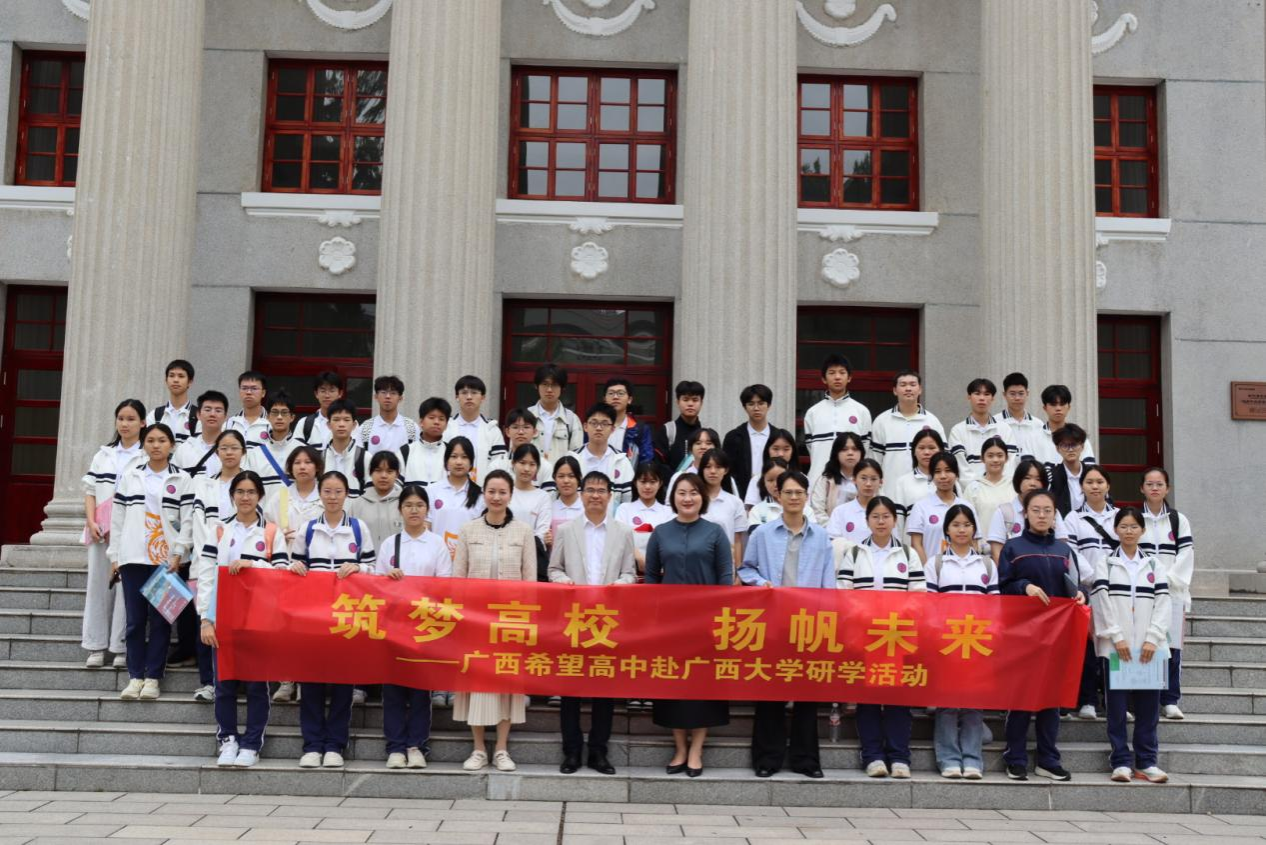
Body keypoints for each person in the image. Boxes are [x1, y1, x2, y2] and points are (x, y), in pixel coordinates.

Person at [739, 469, 834, 779]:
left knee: (807, 695)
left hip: (808, 624)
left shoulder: (821, 537)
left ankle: (806, 760)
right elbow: (746, 569)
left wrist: (826, 619)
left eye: (799, 493)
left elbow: (828, 584)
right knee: (771, 692)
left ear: (806, 497)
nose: (794, 498)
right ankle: (767, 758)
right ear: (777, 495)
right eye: (788, 492)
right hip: (772, 623)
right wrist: (761, 583)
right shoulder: (763, 534)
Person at [548, 471, 637, 775]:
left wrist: (619, 585)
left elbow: (630, 573)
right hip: (573, 618)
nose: (595, 495)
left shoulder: (623, 532)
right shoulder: (566, 530)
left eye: (601, 490)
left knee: (604, 687)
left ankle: (599, 751)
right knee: (570, 687)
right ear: (582, 494)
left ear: (611, 496)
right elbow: (554, 569)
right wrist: (565, 582)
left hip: (607, 620)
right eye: (590, 490)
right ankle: (572, 751)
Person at [196, 470, 286, 768]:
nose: (245, 497)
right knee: (224, 684)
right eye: (240, 492)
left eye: (251, 492)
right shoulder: (220, 530)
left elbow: (283, 574)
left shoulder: (271, 532)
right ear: (232, 495)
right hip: (224, 618)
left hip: (259, 620)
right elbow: (206, 575)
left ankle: (252, 743)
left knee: (257, 685)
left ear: (260, 496)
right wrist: (206, 619)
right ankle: (228, 739)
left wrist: (254, 564)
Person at [645, 473, 732, 777]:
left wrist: (719, 616)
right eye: (681, 493)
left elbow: (725, 576)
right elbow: (652, 576)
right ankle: (680, 747)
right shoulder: (661, 533)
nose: (687, 498)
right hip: (670, 625)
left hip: (705, 624)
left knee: (701, 688)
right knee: (673, 686)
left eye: (693, 493)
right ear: (673, 497)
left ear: (702, 497)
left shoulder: (715, 532)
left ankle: (697, 749)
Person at [288, 470, 376, 768]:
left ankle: (335, 744)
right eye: (327, 491)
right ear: (320, 494)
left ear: (347, 494)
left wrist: (359, 569)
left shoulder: (358, 528)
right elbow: (294, 564)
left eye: (338, 491)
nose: (333, 497)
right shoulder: (309, 528)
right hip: (313, 618)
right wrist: (295, 567)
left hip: (347, 617)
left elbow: (373, 568)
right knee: (311, 682)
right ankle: (312, 745)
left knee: (342, 683)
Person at [998, 489, 1087, 782]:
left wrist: (1080, 596)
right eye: (1035, 510)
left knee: (1051, 699)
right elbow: (1003, 586)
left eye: (1047, 510)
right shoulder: (1013, 547)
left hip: (1057, 637)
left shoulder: (1064, 550)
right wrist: (1024, 586)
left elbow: (1076, 585)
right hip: (1022, 636)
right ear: (1025, 513)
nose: (1041, 515)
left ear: (1054, 515)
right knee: (1022, 698)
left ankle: (1048, 759)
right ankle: (1015, 758)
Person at [452, 470, 536, 773]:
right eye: (491, 491)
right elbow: (457, 579)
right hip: (475, 621)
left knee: (506, 683)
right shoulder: (468, 530)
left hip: (511, 620)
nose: (496, 497)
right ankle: (478, 748)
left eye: (502, 492)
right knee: (476, 683)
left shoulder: (523, 531)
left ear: (510, 495)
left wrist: (526, 621)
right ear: (483, 494)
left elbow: (530, 580)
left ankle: (501, 748)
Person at [834, 496, 923, 778]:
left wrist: (896, 618)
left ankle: (899, 757)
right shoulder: (855, 553)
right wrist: (866, 617)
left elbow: (918, 595)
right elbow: (844, 592)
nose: (881, 521)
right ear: (867, 520)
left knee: (898, 698)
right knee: (868, 698)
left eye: (886, 516)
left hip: (898, 637)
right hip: (865, 636)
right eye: (875, 516)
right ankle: (872, 756)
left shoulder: (908, 554)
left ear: (895, 520)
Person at [107, 422, 192, 702]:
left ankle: (153, 677)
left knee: (161, 621)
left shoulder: (182, 479)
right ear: (144, 444)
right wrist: (115, 556)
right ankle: (135, 677)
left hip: (165, 561)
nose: (156, 445)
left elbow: (188, 521)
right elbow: (117, 520)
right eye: (151, 440)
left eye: (162, 440)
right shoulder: (131, 476)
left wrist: (178, 553)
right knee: (134, 621)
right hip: (133, 558)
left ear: (172, 445)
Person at [1091, 507, 1172, 784]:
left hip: (1150, 649)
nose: (1129, 531)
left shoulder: (1154, 565)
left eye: (1134, 526)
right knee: (1116, 708)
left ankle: (1147, 761)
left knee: (1149, 709)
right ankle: (1121, 762)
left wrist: (1153, 637)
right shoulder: (1106, 563)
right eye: (1123, 526)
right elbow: (1101, 601)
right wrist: (1116, 636)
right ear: (1116, 530)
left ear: (1142, 530)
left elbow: (1163, 603)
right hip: (1118, 648)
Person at [375, 484, 450, 769]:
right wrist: (389, 579)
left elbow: (445, 584)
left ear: (427, 509)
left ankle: (417, 745)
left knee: (420, 689)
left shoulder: (437, 543)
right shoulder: (390, 544)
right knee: (393, 688)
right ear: (400, 510)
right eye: (408, 505)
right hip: (395, 625)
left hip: (425, 625)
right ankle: (395, 746)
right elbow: (377, 586)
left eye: (419, 505)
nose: (414, 510)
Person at [926, 504, 996, 780]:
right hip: (947, 642)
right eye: (956, 525)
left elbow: (994, 605)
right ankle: (948, 759)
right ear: (947, 530)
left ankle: (972, 759)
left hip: (977, 641)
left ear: (974, 529)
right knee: (947, 703)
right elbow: (929, 604)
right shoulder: (936, 563)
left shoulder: (986, 564)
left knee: (973, 702)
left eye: (967, 525)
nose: (962, 530)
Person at [179, 430, 251, 700]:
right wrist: (188, 554)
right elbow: (194, 524)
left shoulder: (250, 484)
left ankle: (239, 679)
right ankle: (209, 682)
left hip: (240, 566)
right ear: (217, 452)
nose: (229, 453)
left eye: (234, 448)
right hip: (207, 563)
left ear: (243, 451)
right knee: (206, 620)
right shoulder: (204, 485)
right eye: (224, 448)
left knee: (239, 626)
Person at [81, 399, 146, 669]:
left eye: (131, 419)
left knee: (126, 588)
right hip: (101, 531)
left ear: (142, 423)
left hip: (132, 533)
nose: (125, 424)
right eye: (121, 418)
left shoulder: (147, 456)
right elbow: (90, 491)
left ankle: (121, 646)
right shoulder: (103, 455)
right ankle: (96, 646)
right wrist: (91, 521)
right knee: (98, 586)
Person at [261, 444, 325, 705]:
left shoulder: (325, 494)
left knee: (311, 630)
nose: (302, 467)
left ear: (317, 467)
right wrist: (278, 534)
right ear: (290, 468)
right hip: (285, 568)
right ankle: (286, 680)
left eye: (308, 462)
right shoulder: (280, 496)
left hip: (317, 571)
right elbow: (264, 529)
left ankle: (307, 682)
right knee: (285, 628)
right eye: (297, 462)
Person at [1138, 467, 1194, 721]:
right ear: (1142, 488)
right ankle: (1141, 697)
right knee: (1143, 643)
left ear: (1167, 488)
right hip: (1141, 592)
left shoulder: (1178, 520)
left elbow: (1186, 555)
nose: (1154, 488)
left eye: (1159, 484)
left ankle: (1170, 700)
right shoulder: (1134, 518)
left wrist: (1165, 580)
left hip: (1172, 592)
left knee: (1172, 647)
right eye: (1149, 484)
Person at [1067, 465, 1119, 720]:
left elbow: (1127, 549)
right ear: (1082, 487)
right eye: (1089, 482)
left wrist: (1112, 580)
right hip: (1087, 592)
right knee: (1087, 648)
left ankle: (1115, 701)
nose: (1095, 486)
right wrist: (1095, 579)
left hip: (1116, 592)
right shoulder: (1072, 519)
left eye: (1100, 482)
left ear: (1108, 486)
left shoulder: (1120, 516)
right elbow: (1072, 553)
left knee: (1114, 645)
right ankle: (1087, 700)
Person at [803, 354, 872, 486]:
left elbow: (865, 449)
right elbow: (811, 449)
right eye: (832, 373)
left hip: (852, 482)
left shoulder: (861, 411)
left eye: (842, 372)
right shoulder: (813, 413)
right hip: (818, 480)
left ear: (849, 377)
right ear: (824, 379)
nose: (837, 377)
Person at [870, 370, 944, 491]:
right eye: (903, 385)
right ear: (895, 390)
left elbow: (942, 459)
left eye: (912, 384)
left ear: (920, 389)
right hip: (889, 491)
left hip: (926, 492)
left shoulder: (932, 421)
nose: (908, 388)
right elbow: (874, 461)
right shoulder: (881, 421)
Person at [987, 458, 1071, 562]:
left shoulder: (1053, 512)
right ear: (1018, 481)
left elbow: (1062, 548)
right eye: (1027, 478)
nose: (1033, 483)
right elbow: (997, 552)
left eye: (1038, 479)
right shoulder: (1004, 512)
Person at [905, 452, 980, 563]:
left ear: (956, 474)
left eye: (948, 470)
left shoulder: (967, 507)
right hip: (932, 570)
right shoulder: (921, 507)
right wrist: (928, 570)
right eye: (937, 472)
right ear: (932, 475)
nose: (943, 476)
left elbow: (973, 543)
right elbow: (916, 544)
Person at [948, 378, 1017, 484]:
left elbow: (1009, 464)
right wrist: (979, 488)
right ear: (969, 397)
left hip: (1001, 489)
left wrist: (998, 486)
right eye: (977, 393)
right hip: (970, 491)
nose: (982, 398)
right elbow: (961, 468)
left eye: (987, 394)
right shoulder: (958, 431)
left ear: (993, 398)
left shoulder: (1005, 429)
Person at [428, 437, 484, 560]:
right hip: (437, 559)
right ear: (446, 461)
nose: (459, 462)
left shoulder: (481, 496)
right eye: (454, 456)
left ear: (471, 462)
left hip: (468, 560)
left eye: (464, 457)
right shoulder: (432, 491)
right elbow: (426, 528)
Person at [614, 462, 672, 576]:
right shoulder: (624, 509)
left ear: (660, 483)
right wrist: (638, 557)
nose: (647, 486)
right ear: (635, 482)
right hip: (629, 572)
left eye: (653, 482)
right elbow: (619, 538)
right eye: (643, 481)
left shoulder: (669, 512)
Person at [444, 375, 506, 483]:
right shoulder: (446, 427)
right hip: (449, 487)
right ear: (457, 397)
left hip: (482, 488)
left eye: (474, 392)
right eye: (464, 393)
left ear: (483, 397)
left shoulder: (492, 430)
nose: (469, 397)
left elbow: (499, 463)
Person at [571, 402, 634, 508]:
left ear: (612, 429)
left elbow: (628, 500)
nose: (599, 428)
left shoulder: (622, 461)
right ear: (585, 426)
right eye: (594, 423)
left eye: (604, 424)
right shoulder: (573, 459)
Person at [721, 384, 777, 496]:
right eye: (751, 404)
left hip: (773, 493)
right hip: (741, 494)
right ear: (744, 407)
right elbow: (726, 471)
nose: (756, 408)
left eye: (761, 403)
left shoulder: (778, 436)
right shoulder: (733, 437)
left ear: (769, 405)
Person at [697, 449, 747, 573]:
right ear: (702, 469)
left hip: (725, 566)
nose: (713, 471)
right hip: (697, 565)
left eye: (718, 467)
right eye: (708, 467)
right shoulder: (694, 500)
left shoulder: (735, 502)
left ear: (726, 470)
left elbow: (737, 540)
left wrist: (738, 571)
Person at [890, 429, 949, 528]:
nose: (926, 452)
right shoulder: (903, 482)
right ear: (914, 451)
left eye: (932, 448)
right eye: (921, 448)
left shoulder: (950, 481)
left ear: (941, 450)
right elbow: (898, 522)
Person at [347, 451, 403, 549]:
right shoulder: (357, 504)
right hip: (366, 558)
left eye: (389, 471)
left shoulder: (405, 503)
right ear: (370, 473)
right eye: (378, 470)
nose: (383, 476)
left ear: (397, 474)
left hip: (398, 559)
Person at [529, 364, 582, 464]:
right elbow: (516, 452)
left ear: (562, 388)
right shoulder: (527, 416)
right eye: (545, 384)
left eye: (554, 385)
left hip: (560, 473)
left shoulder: (571, 419)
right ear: (536, 386)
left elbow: (576, 457)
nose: (549, 390)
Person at [809, 432, 865, 526]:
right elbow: (817, 511)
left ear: (861, 453)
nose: (850, 453)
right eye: (844, 449)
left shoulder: (869, 479)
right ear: (836, 453)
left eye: (855, 449)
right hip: (830, 531)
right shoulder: (825, 480)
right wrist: (834, 529)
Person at [993, 372, 1048, 462]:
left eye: (1021, 393)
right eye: (1012, 394)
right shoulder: (994, 423)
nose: (1017, 398)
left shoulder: (1038, 424)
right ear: (1004, 394)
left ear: (1027, 393)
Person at [489, 408, 552, 485]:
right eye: (515, 427)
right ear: (507, 432)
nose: (521, 432)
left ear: (535, 432)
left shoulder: (545, 466)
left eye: (526, 427)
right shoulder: (497, 466)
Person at [173, 390, 229, 479]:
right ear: (198, 414)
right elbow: (174, 481)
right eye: (207, 410)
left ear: (225, 416)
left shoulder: (232, 449)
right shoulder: (184, 449)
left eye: (218, 410)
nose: (212, 414)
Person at [1040, 384, 1098, 468]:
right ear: (1045, 408)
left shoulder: (1079, 437)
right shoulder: (1033, 437)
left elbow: (1090, 469)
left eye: (1062, 404)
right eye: (1053, 404)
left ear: (1069, 407)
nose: (1058, 408)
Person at [252, 390, 300, 492]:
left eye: (284, 413)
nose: (279, 417)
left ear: (292, 417)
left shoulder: (302, 450)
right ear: (268, 417)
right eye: (274, 412)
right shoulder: (255, 454)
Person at [965, 437, 1013, 537]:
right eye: (990, 456)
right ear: (982, 458)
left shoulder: (1014, 485)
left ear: (1006, 458)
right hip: (983, 544)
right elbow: (966, 521)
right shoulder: (973, 488)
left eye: (1000, 455)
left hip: (1012, 544)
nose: (995, 460)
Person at [653, 380, 706, 471]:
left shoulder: (705, 434)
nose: (690, 404)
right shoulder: (667, 430)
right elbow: (659, 464)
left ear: (701, 403)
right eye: (685, 400)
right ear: (677, 402)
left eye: (695, 400)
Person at [826, 457, 882, 543]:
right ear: (854, 480)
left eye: (873, 479)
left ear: (881, 482)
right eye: (863, 478)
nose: (868, 484)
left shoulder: (886, 512)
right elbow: (833, 543)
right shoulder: (840, 511)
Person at [358, 375, 418, 454]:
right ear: (376, 396)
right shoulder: (365, 428)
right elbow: (359, 457)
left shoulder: (412, 428)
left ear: (400, 398)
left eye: (393, 393)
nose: (388, 396)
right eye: (383, 392)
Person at [401, 397, 452, 486]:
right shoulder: (405, 451)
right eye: (431, 417)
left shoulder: (451, 452)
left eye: (441, 419)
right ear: (421, 422)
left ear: (446, 425)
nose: (436, 422)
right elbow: (396, 487)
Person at [742, 429, 799, 507]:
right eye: (775, 449)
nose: (780, 454)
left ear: (793, 451)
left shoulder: (801, 478)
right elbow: (750, 509)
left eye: (786, 449)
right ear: (767, 450)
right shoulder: (757, 479)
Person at [321, 399, 366, 496]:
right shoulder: (320, 458)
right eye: (336, 420)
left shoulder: (365, 457)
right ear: (328, 425)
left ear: (354, 425)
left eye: (346, 420)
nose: (341, 424)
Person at [604, 378, 653, 467]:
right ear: (605, 399)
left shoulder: (640, 429)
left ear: (629, 399)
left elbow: (646, 460)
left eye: (620, 393)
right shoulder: (595, 426)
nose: (615, 397)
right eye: (611, 393)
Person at [294, 371, 349, 449]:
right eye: (323, 391)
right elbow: (296, 453)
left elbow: (355, 452)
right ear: (316, 394)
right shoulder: (304, 423)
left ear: (340, 393)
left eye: (332, 391)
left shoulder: (349, 423)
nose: (327, 395)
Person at [145, 359, 196, 443]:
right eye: (171, 375)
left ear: (190, 382)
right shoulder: (155, 415)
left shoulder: (198, 416)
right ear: (166, 380)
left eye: (181, 376)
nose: (175, 380)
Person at [1048, 424, 1090, 517]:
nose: (1070, 449)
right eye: (1065, 445)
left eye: (1074, 445)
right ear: (1057, 448)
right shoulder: (1051, 477)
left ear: (1082, 446)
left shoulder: (1092, 474)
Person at [225, 370, 270, 447]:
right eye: (244, 388)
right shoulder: (230, 423)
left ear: (263, 393)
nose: (248, 392)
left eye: (254, 388)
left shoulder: (271, 422)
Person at [546, 456, 584, 548]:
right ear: (554, 478)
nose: (566, 481)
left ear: (579, 478)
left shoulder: (587, 509)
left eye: (571, 476)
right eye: (561, 476)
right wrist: (546, 540)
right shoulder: (548, 509)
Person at [747, 457, 791, 529]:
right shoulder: (757, 511)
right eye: (770, 480)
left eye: (780, 478)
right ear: (764, 482)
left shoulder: (804, 509)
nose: (776, 484)